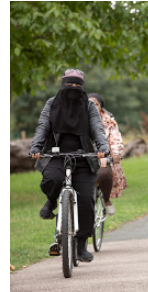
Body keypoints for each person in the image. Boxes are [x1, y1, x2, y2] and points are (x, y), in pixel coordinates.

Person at [30, 69, 109, 262]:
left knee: (86, 203)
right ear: (62, 85)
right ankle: (51, 201)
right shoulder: (51, 103)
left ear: (83, 88)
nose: (73, 89)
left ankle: (81, 245)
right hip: (56, 156)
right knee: (52, 179)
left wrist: (103, 146)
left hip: (84, 158)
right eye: (69, 85)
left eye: (77, 85)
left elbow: (97, 128)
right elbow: (43, 126)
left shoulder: (89, 106)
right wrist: (36, 146)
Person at [88, 93, 128, 216]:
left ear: (101, 106)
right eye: (89, 103)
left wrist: (115, 153)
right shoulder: (78, 118)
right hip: (83, 156)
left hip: (103, 156)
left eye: (96, 103)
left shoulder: (109, 121)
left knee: (104, 173)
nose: (93, 106)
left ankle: (106, 200)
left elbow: (115, 139)